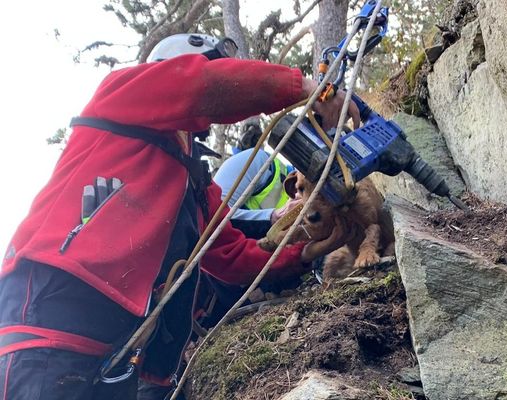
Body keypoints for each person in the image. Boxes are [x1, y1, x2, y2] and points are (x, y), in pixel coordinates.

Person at [0, 32, 360, 400]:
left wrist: (303, 253)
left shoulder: (192, 182)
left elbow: (228, 255)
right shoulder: (124, 91)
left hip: (112, 348)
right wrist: (307, 87)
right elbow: (199, 86)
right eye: (212, 65)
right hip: (48, 314)